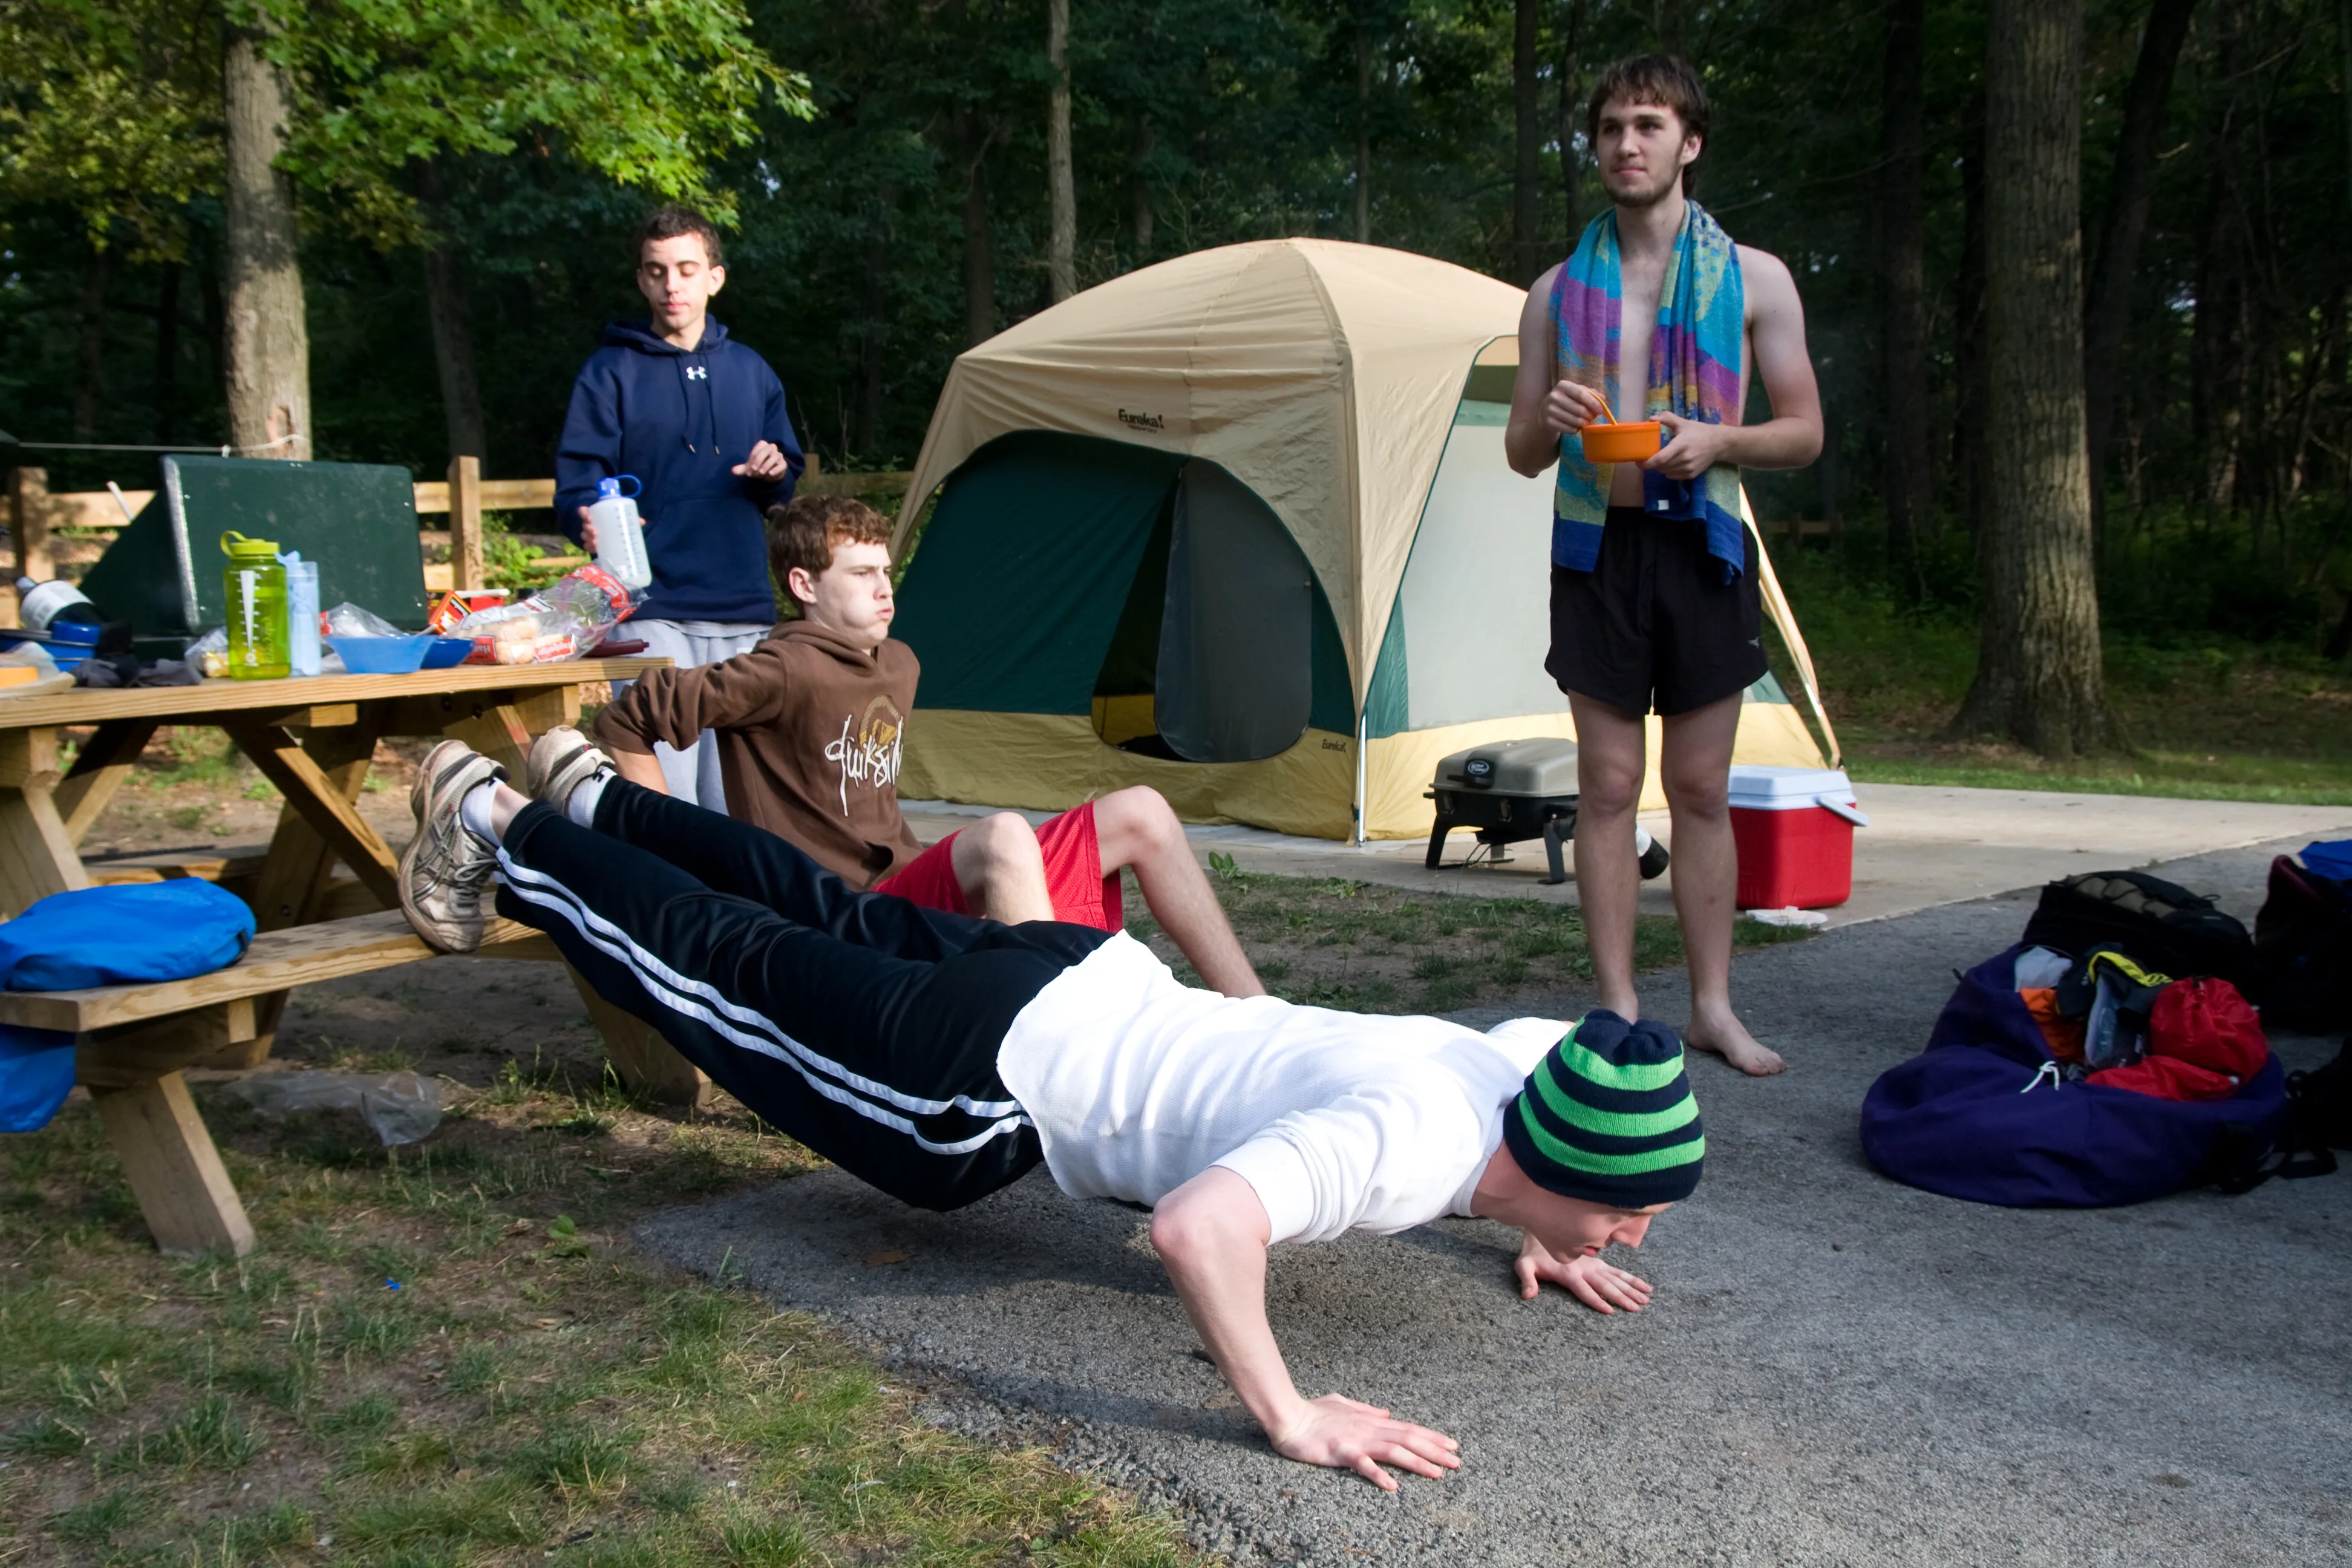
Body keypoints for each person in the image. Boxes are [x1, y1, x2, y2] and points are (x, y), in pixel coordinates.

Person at [395, 731, 1705, 1489]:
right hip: (978, 1083)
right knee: (724, 970)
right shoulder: (1410, 1146)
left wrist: (1548, 1225)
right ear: (1552, 1155)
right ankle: (494, 821)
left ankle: (592, 791)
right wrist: (1295, 1415)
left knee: (816, 915)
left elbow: (1569, 1083)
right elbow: (1198, 1230)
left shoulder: (1528, 1071)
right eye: (1626, 1209)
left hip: (1079, 967)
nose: (1634, 1233)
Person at [590, 492, 1263, 998]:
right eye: (859, 575)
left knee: (1141, 808)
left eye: (885, 571)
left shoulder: (897, 663)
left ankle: (1256, 1014)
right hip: (839, 915)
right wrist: (672, 861)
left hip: (908, 891)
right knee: (1000, 836)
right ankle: (1058, 1043)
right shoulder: (780, 670)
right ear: (805, 587)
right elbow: (629, 720)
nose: (884, 589)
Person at [1503, 54, 1824, 1077]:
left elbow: (1804, 432)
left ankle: (1713, 1009)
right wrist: (1549, 422)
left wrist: (1720, 440)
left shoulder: (1753, 278)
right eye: (1608, 128)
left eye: (1646, 126)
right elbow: (1517, 452)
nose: (1624, 145)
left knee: (1696, 787)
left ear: (1688, 143)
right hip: (1598, 547)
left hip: (1700, 544)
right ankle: (1613, 1008)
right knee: (1604, 784)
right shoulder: (1556, 294)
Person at [555, 205, 805, 810]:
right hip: (650, 610)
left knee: (739, 801)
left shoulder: (753, 372)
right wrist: (586, 515)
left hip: (743, 611)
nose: (672, 285)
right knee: (665, 800)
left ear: (713, 277)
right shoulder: (608, 372)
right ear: (642, 279)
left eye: (686, 270)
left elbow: (786, 485)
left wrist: (775, 472)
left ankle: (735, 909)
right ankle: (662, 905)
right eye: (657, 270)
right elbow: (575, 487)